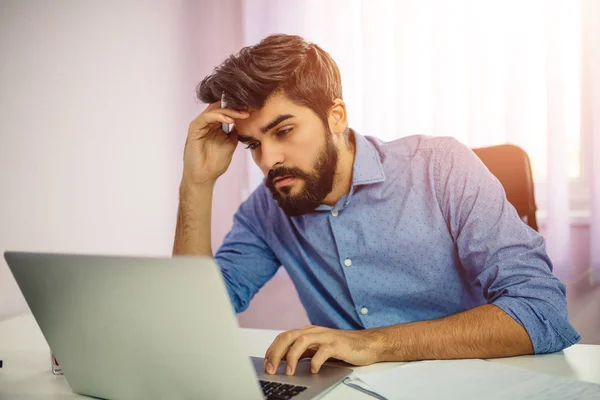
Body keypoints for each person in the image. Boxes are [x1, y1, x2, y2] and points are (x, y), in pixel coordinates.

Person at [172, 34, 579, 377]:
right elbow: (190, 320)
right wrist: (197, 183)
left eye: (285, 130)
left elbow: (541, 311)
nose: (268, 159)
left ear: (336, 117)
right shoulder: (267, 208)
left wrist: (374, 344)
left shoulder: (440, 167)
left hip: (472, 381)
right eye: (254, 144)